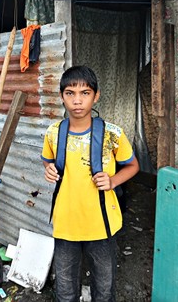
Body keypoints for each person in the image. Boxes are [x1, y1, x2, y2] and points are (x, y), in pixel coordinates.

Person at [42, 65, 139, 302]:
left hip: (102, 225)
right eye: (70, 93)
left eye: (85, 93)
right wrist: (49, 170)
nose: (77, 101)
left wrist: (113, 180)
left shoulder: (112, 134)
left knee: (104, 289)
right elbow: (46, 160)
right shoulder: (54, 132)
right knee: (65, 290)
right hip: (65, 223)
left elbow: (133, 166)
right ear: (62, 97)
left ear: (96, 96)